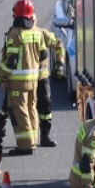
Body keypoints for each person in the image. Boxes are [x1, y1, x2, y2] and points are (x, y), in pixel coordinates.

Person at [0, 0, 48, 156]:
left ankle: (25, 146)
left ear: (14, 14)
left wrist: (1, 78)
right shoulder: (36, 32)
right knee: (31, 109)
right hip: (33, 80)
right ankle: (32, 141)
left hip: (17, 82)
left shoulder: (15, 34)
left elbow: (11, 60)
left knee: (19, 111)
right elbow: (44, 55)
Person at [32, 12, 65, 147]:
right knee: (12, 107)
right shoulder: (15, 35)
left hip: (41, 78)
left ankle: (45, 136)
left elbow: (58, 44)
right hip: (21, 81)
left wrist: (59, 64)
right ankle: (26, 141)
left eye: (31, 20)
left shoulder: (42, 34)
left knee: (45, 106)